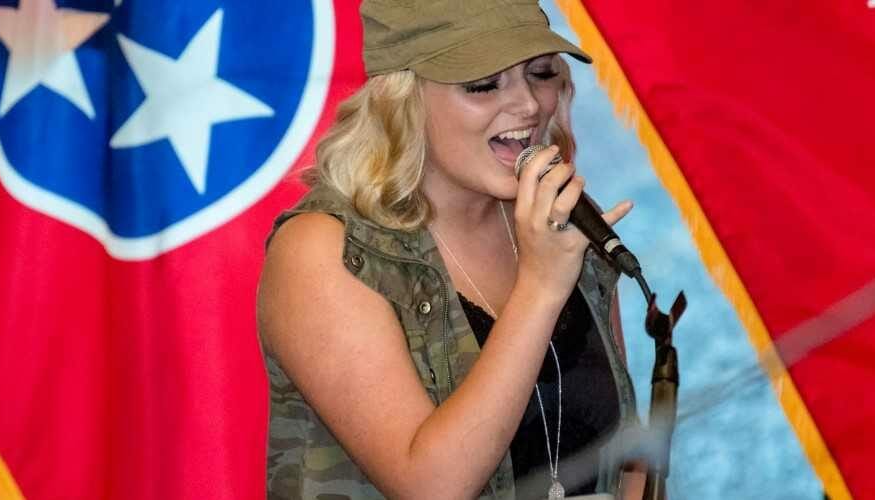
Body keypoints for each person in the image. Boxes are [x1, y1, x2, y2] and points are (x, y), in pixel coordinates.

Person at [258, 1, 645, 498]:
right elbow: (430, 486)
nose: (529, 105)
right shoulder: (321, 251)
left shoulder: (559, 218)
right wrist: (541, 287)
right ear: (402, 100)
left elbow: (629, 456)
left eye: (541, 73)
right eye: (483, 84)